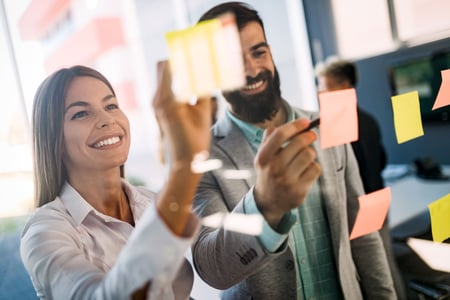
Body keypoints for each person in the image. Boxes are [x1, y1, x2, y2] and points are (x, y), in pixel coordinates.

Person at [190, 2, 396, 299]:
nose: (252, 69)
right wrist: (264, 205)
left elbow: (362, 234)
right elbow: (213, 268)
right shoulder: (200, 156)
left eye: (259, 52)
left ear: (271, 53)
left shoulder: (326, 124)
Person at [20, 63, 212, 299]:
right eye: (81, 113)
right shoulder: (45, 233)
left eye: (111, 105)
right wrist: (184, 168)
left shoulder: (150, 201)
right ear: (54, 141)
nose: (107, 120)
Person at [317, 59, 407, 299]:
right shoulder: (368, 119)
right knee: (385, 263)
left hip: (361, 207)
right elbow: (382, 160)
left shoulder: (337, 125)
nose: (320, 93)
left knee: (373, 271)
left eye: (325, 87)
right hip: (377, 199)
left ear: (345, 85)